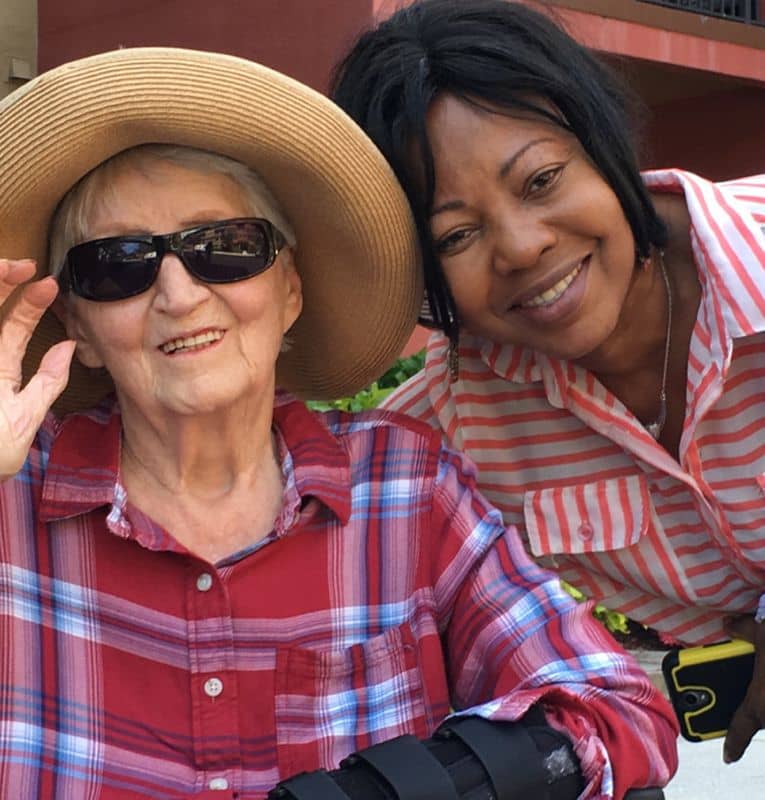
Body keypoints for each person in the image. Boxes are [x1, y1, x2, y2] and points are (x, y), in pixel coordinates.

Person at [0, 47, 678, 800]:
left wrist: (397, 789)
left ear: (290, 289)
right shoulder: (9, 493)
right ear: (77, 326)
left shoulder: (404, 486)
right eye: (117, 264)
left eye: (224, 247)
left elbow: (615, 708)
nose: (179, 294)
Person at [331, 0, 765, 764]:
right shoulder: (452, 427)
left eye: (539, 180)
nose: (523, 247)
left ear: (602, 144)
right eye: (455, 235)